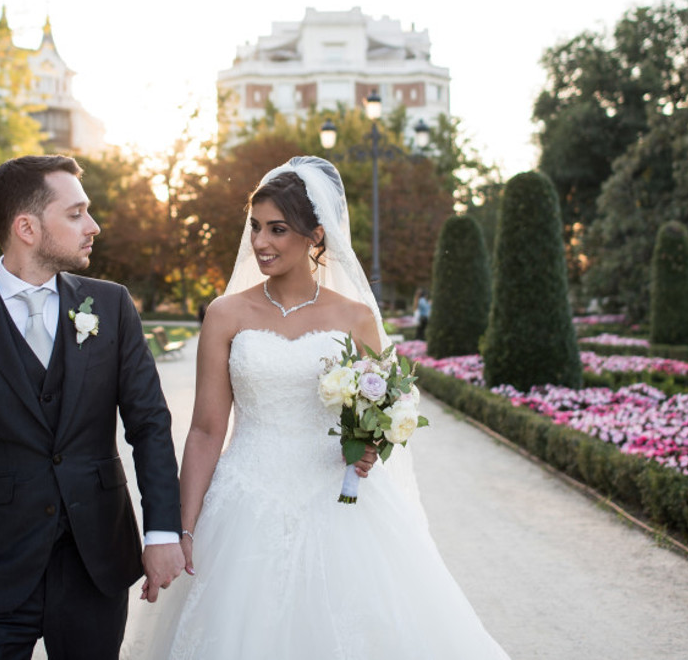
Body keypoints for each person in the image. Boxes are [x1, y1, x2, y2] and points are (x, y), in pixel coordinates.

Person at [130, 157, 509, 658]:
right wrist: (185, 527)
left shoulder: (355, 317)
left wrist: (370, 443)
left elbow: (380, 405)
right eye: (255, 227)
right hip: (244, 502)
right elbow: (204, 431)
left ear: (315, 235)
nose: (260, 242)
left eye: (277, 229)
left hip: (338, 502)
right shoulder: (225, 314)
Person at [0, 155, 185, 660]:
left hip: (96, 565)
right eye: (75, 214)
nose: (93, 226)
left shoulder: (111, 305)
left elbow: (149, 425)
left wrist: (162, 532)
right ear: (26, 228)